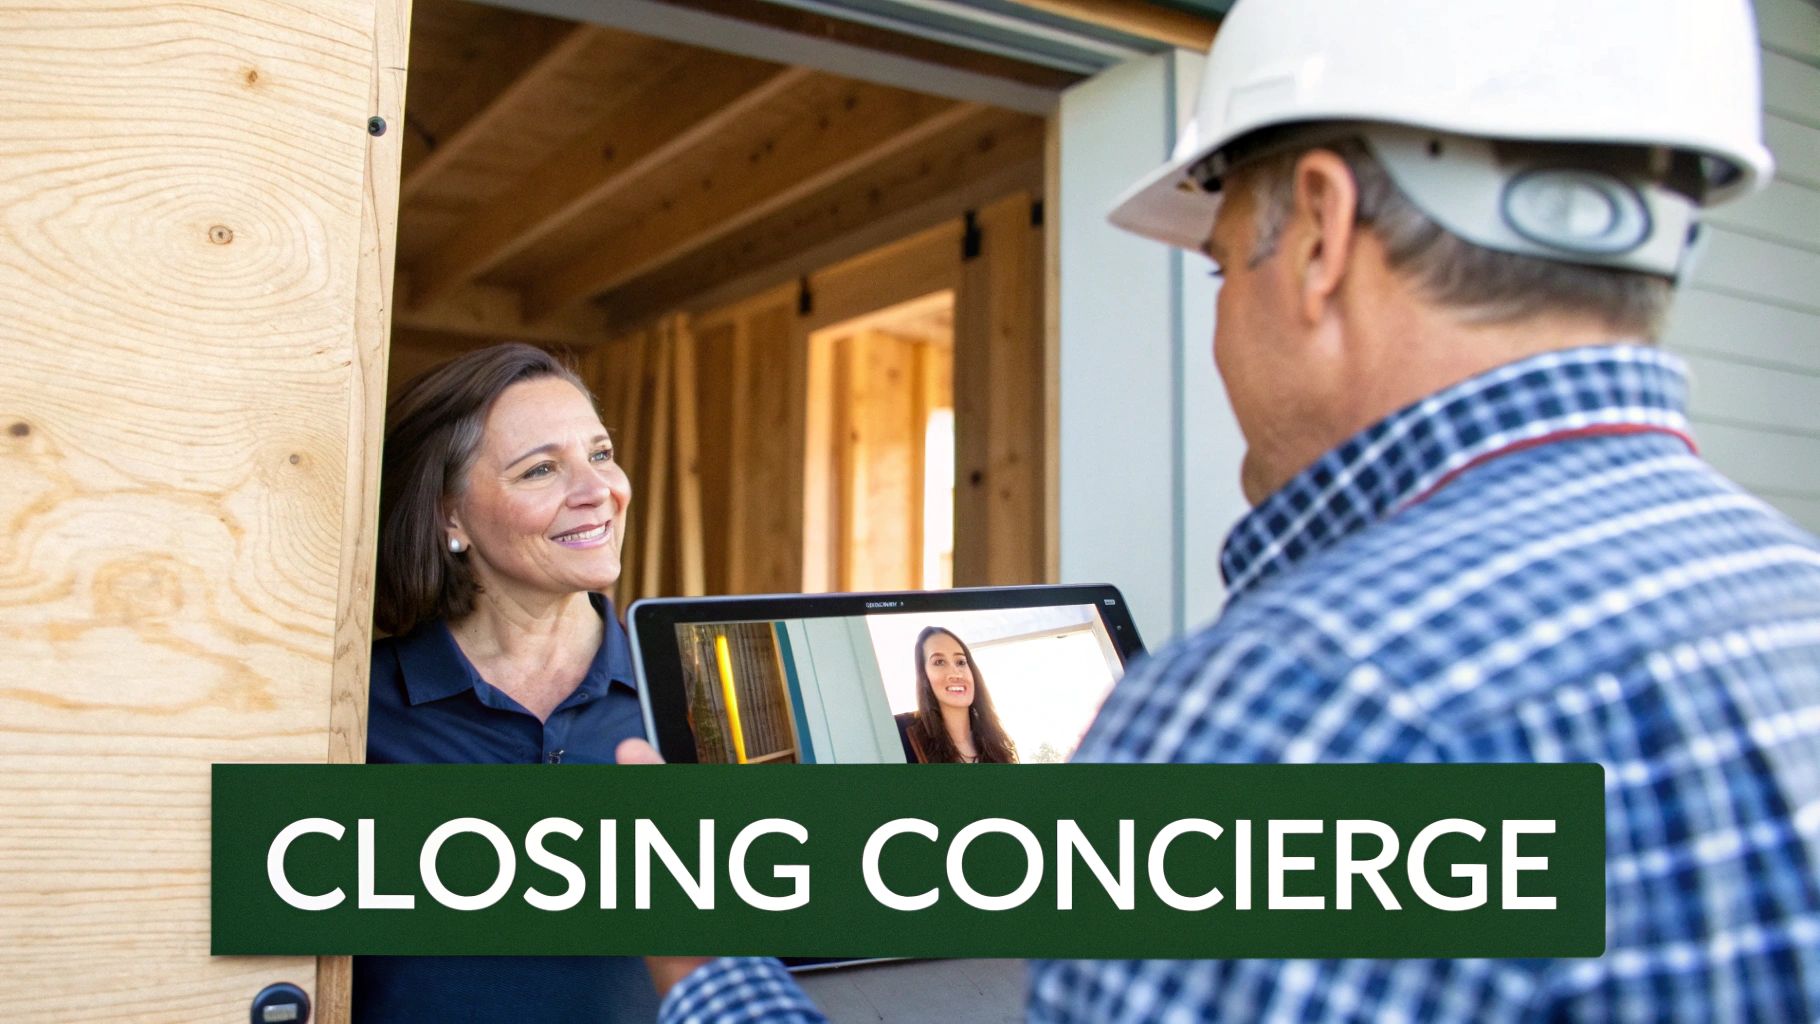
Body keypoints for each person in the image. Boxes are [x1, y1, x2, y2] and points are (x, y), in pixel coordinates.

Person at [629, 0, 1820, 1020]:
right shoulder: (1787, 605)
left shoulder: (1289, 708)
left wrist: (711, 962)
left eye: (1214, 268)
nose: (1214, 326)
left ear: (1316, 230)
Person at [357, 343, 659, 1023]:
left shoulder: (682, 701)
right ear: (449, 518)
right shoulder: (356, 715)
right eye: (542, 469)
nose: (598, 491)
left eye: (601, 453)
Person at [894, 626, 1018, 764]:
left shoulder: (1000, 743)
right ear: (924, 675)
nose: (956, 673)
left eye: (961, 662)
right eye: (939, 662)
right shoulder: (899, 733)